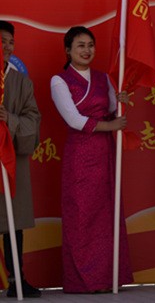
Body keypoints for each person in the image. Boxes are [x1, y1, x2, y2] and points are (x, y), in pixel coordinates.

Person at [50, 26, 132, 293]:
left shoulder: (103, 77)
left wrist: (120, 101)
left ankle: (107, 278)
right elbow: (73, 119)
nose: (86, 51)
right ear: (68, 50)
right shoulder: (59, 81)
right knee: (82, 215)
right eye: (80, 46)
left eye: (90, 45)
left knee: (105, 214)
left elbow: (111, 110)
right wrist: (111, 126)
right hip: (80, 155)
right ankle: (83, 281)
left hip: (105, 153)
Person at [0, 21, 41, 298]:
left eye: (10, 41)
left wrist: (10, 120)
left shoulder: (21, 82)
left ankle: (17, 279)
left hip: (10, 159)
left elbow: (33, 120)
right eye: (1, 41)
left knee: (12, 220)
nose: (6, 46)